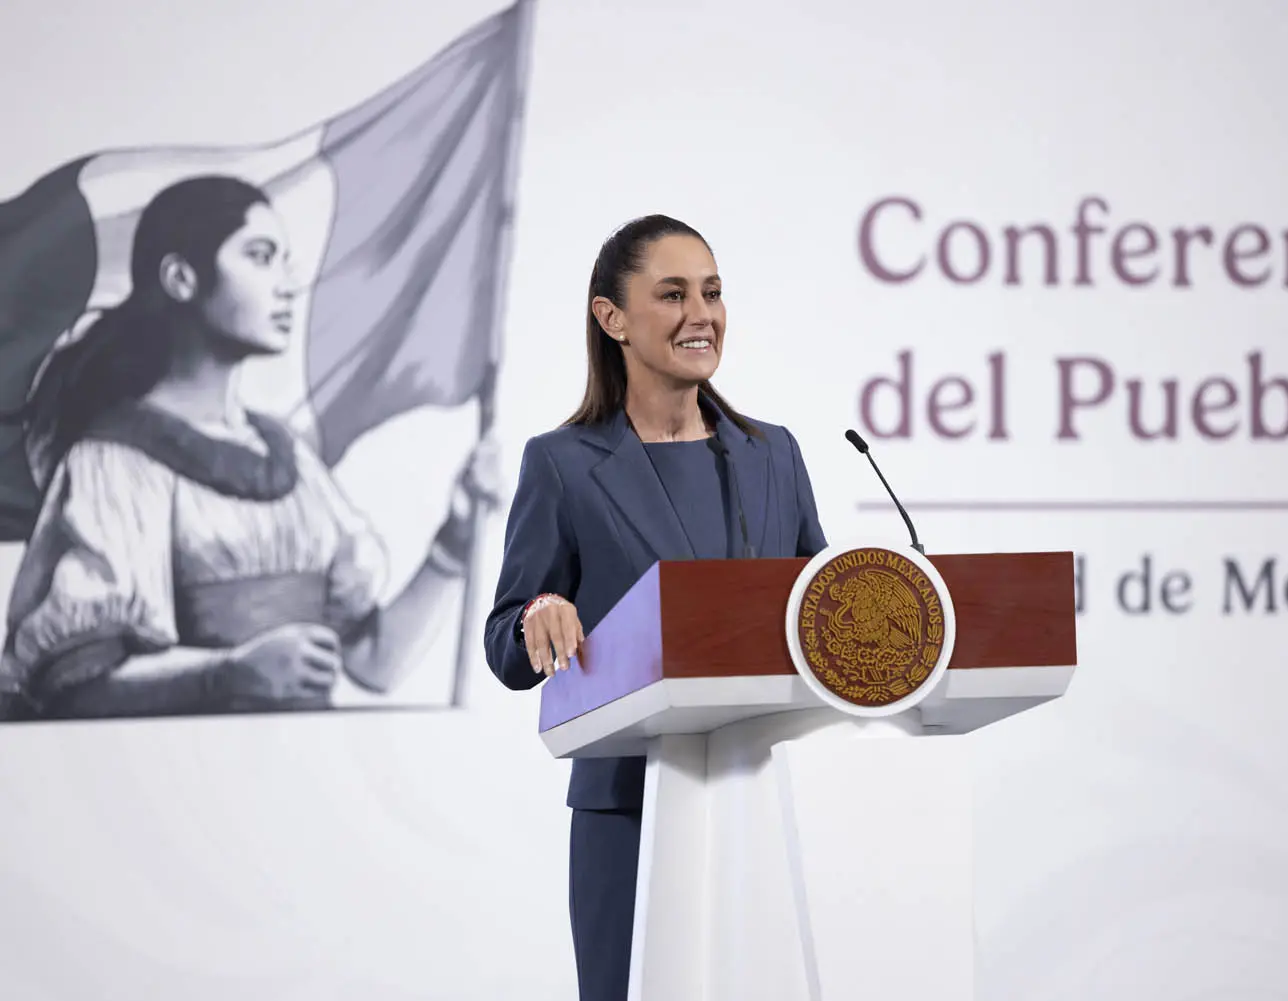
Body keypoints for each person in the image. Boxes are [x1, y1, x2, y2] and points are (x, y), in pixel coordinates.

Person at [0, 174, 499, 720]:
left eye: (285, 260)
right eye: (260, 257)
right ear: (181, 278)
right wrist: (229, 672)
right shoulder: (113, 462)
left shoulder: (289, 458)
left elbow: (372, 662)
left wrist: (455, 541)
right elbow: (77, 688)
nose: (286, 285)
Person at [483, 214, 828, 1000]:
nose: (700, 313)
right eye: (672, 294)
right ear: (613, 318)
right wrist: (540, 610)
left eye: (711, 292)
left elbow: (822, 611)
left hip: (767, 799)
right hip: (627, 808)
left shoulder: (774, 453)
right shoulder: (563, 464)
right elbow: (506, 641)